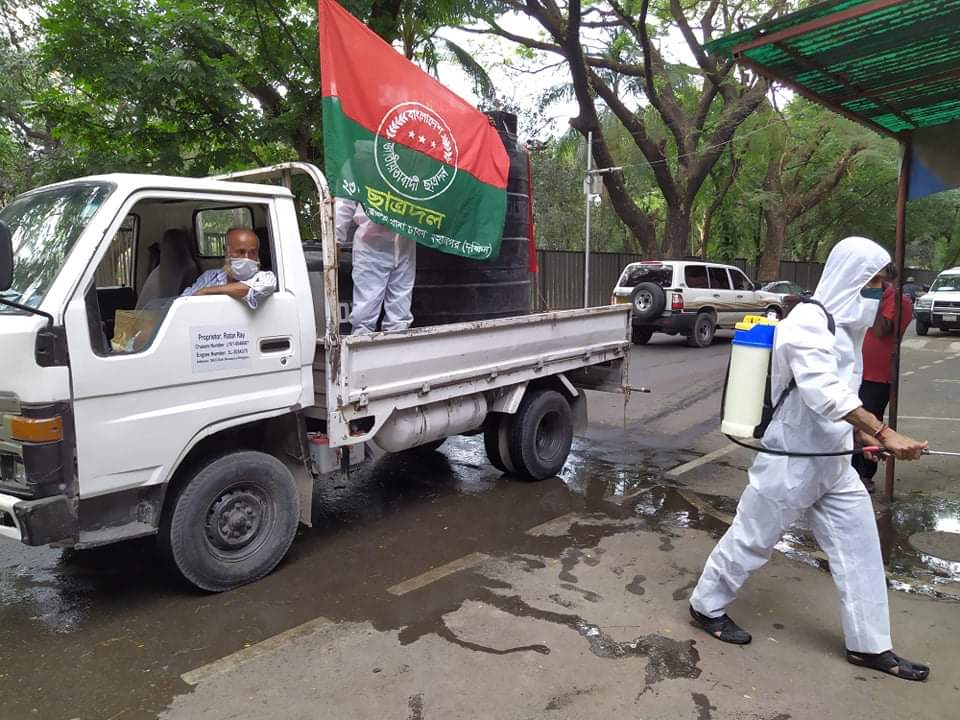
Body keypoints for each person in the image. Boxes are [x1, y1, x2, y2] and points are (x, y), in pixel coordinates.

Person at [688, 237, 931, 681]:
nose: (876, 295)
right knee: (753, 539)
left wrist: (862, 434)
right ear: (850, 279)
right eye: (872, 284)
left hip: (833, 463)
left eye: (879, 286)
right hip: (791, 458)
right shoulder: (806, 324)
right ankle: (706, 606)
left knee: (860, 551)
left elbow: (844, 397)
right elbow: (823, 392)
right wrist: (884, 431)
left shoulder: (843, 328)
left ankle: (870, 645)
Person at [852, 281, 913, 492]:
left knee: (868, 424)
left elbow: (880, 330)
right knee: (848, 425)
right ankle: (847, 471)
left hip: (877, 376)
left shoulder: (899, 301)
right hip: (854, 371)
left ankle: (864, 475)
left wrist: (873, 299)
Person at [335, 198, 416, 334]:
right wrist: (336, 240)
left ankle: (396, 352)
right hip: (370, 244)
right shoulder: (362, 175)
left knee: (400, 316)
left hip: (405, 244)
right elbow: (345, 198)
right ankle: (361, 352)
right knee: (364, 315)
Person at [181, 227, 276, 309]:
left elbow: (248, 289)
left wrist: (206, 291)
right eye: (241, 252)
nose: (247, 258)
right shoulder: (210, 277)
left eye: (252, 252)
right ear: (226, 251)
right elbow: (183, 301)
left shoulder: (266, 277)